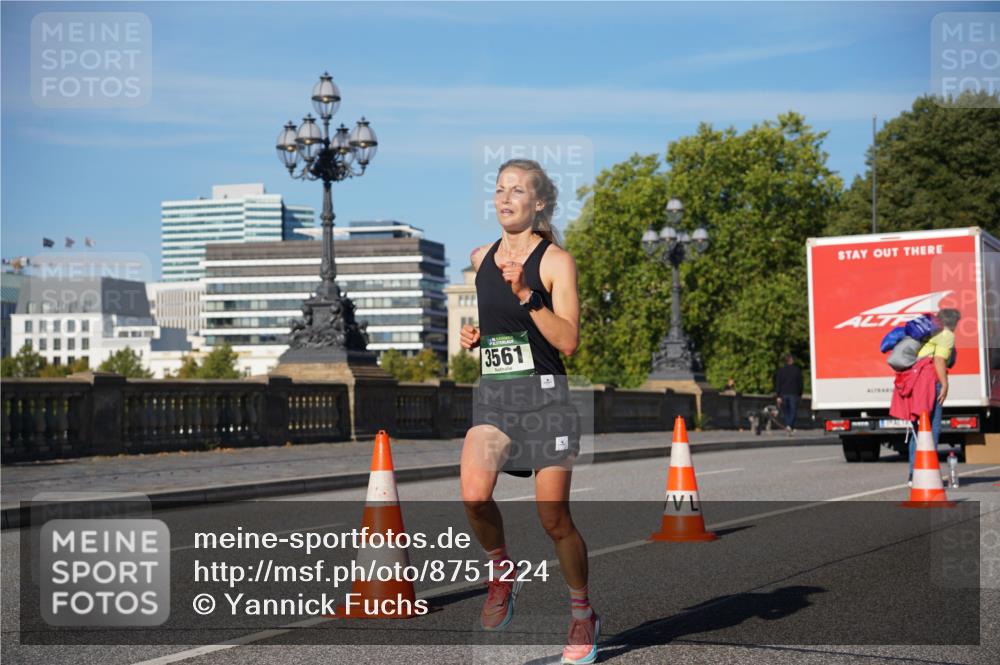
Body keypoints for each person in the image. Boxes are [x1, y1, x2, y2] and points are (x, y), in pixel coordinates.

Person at [460, 158, 599, 664]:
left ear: (539, 202)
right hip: (497, 396)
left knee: (553, 517)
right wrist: (476, 339)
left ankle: (581, 613)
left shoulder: (556, 261)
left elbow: (569, 342)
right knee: (475, 496)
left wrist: (526, 294)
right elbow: (501, 333)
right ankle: (502, 572)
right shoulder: (480, 258)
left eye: (517, 190)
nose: (505, 198)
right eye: (499, 189)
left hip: (547, 401)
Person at [904, 308, 961, 485]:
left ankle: (914, 475)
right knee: (931, 428)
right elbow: (939, 360)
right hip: (930, 382)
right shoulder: (946, 335)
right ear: (953, 323)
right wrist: (944, 384)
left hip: (914, 380)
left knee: (917, 428)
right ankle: (927, 473)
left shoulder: (927, 333)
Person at [775, 354, 803, 434]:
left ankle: (788, 425)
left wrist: (778, 395)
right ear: (791, 360)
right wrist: (800, 394)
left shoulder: (781, 370)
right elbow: (800, 383)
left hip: (783, 394)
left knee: (786, 411)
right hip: (794, 394)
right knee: (793, 411)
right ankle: (790, 426)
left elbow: (778, 383)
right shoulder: (797, 370)